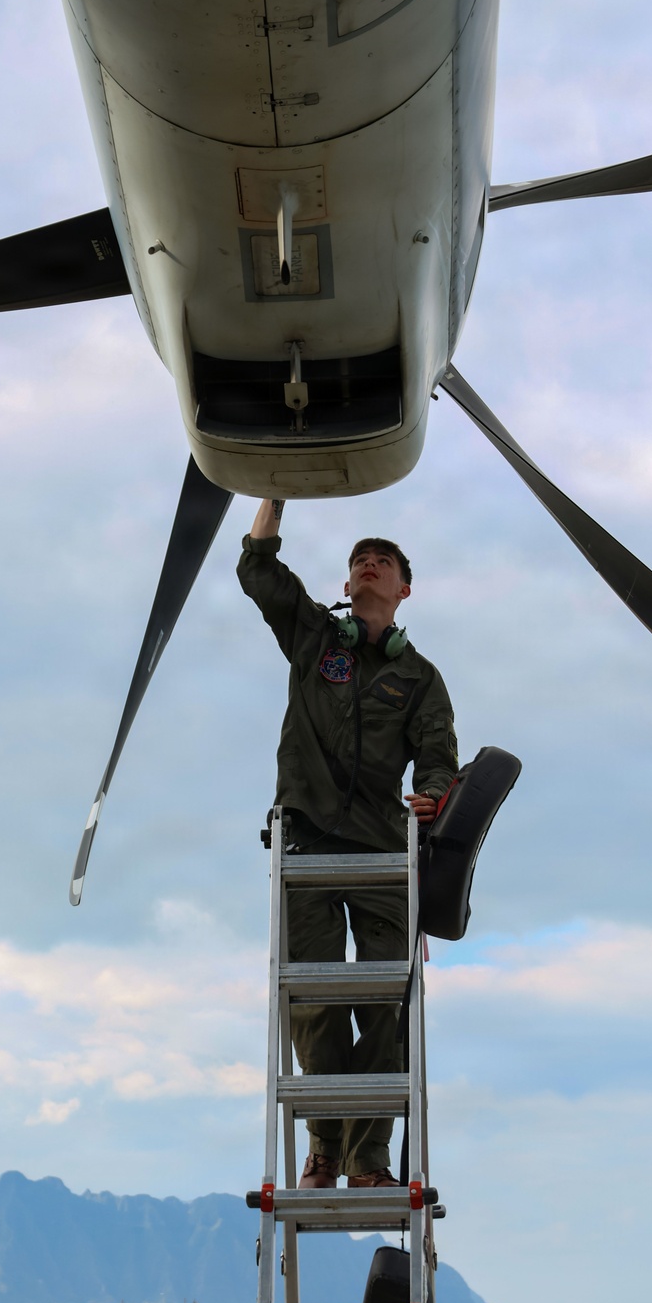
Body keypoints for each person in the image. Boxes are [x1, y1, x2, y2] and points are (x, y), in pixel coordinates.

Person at [238, 497, 458, 1189]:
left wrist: (435, 796)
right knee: (316, 1007)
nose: (369, 563)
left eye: (383, 560)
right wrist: (271, 493)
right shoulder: (314, 639)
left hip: (380, 853)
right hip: (305, 839)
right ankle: (325, 1149)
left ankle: (368, 1162)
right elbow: (258, 573)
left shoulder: (420, 677)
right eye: (360, 558)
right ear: (347, 583)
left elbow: (439, 760)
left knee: (387, 1002)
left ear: (404, 589)